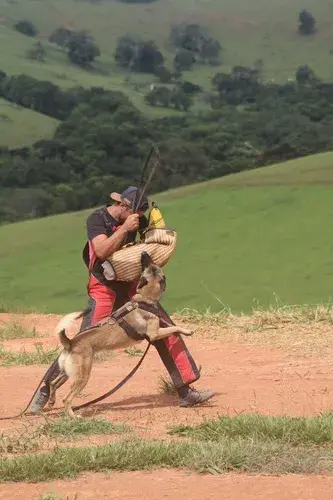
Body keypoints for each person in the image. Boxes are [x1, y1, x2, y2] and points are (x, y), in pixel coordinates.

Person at [28, 186, 215, 413]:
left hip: (132, 289)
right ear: (123, 207)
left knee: (166, 329)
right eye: (136, 214)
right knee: (81, 342)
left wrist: (157, 228)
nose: (139, 219)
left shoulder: (137, 220)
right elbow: (102, 250)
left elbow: (155, 238)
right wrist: (125, 229)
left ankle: (186, 391)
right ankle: (45, 392)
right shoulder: (96, 219)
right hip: (103, 288)